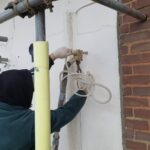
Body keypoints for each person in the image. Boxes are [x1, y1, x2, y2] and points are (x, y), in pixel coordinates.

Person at [0, 46, 87, 150]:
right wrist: (83, 91)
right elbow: (65, 113)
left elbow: (28, 78)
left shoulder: (6, 91)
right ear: (22, 93)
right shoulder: (31, 122)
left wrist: (53, 56)